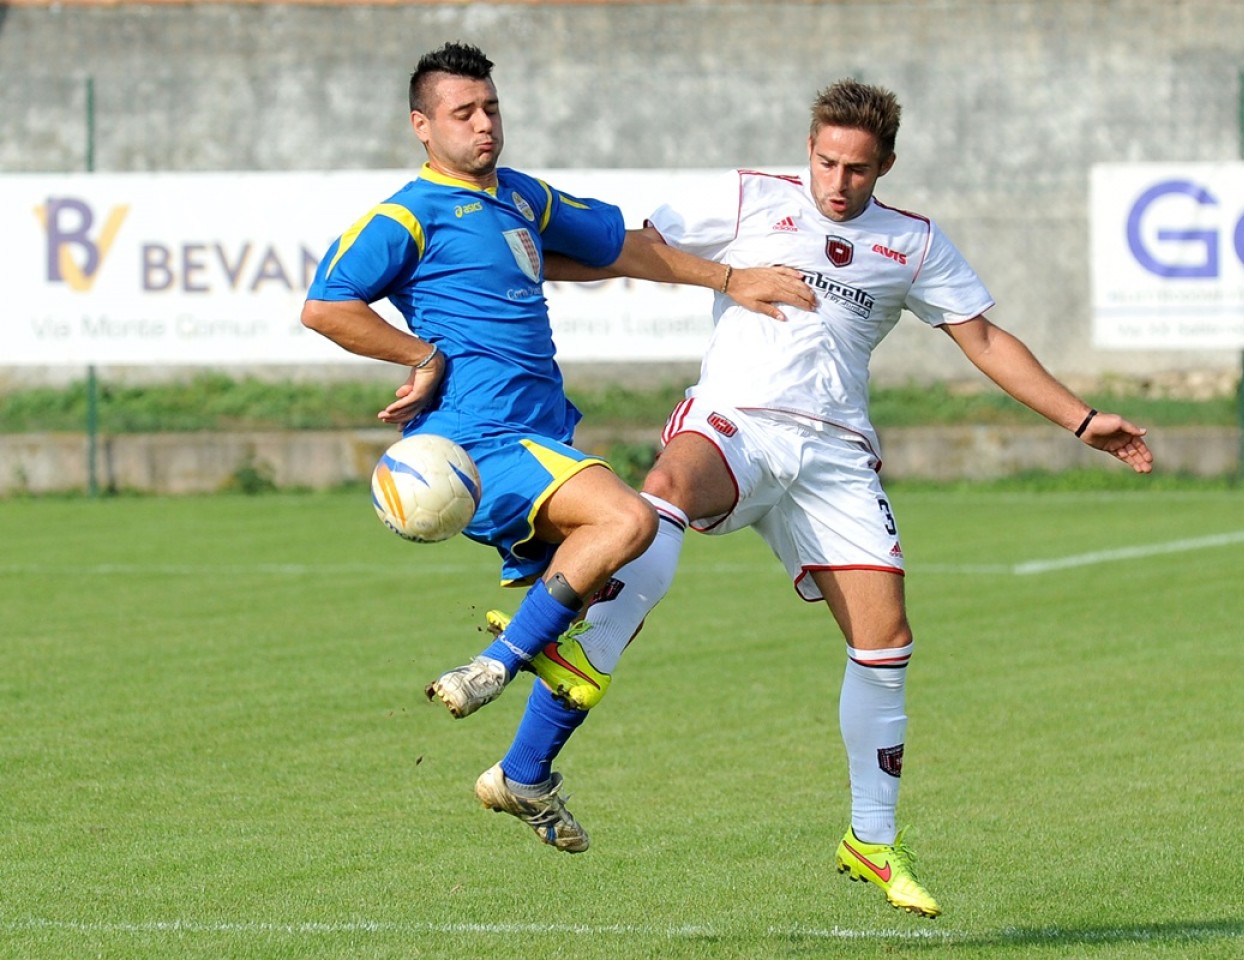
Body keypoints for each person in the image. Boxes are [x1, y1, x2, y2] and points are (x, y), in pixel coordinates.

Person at [497, 78, 1154, 917]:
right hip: (738, 420)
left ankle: (871, 840)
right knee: (663, 490)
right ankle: (581, 658)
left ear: (886, 165)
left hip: (836, 454)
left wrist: (1083, 418)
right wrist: (522, 273)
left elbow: (983, 336)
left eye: (858, 169)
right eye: (826, 161)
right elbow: (635, 249)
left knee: (886, 644)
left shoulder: (913, 243)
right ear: (808, 146)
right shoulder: (749, 198)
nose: (838, 183)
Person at [300, 42, 814, 855]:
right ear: (421, 127)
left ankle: (525, 773)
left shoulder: (519, 198)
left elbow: (623, 247)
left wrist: (730, 279)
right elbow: (326, 306)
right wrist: (420, 356)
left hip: (538, 438)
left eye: (491, 108)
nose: (483, 125)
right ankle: (496, 663)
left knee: (614, 608)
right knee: (627, 521)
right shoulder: (408, 213)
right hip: (480, 442)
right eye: (462, 113)